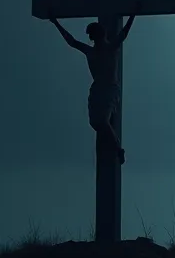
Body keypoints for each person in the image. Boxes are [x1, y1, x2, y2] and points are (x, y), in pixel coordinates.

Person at [46, 14, 136, 164]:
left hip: (109, 89)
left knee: (102, 120)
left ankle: (118, 149)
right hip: (97, 89)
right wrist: (56, 23)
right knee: (96, 122)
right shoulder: (91, 51)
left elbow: (124, 33)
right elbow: (72, 41)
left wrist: (133, 14)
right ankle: (114, 147)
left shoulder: (110, 47)